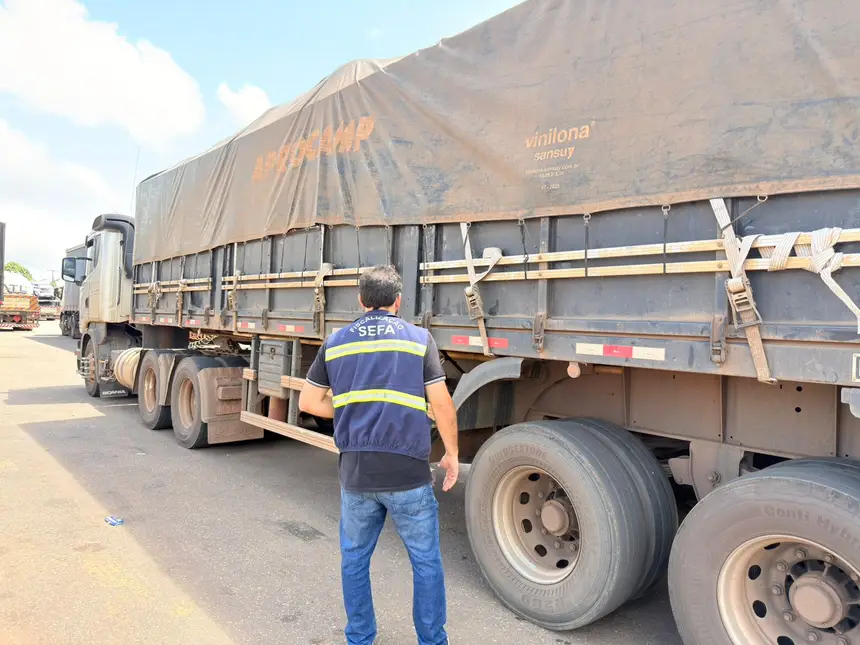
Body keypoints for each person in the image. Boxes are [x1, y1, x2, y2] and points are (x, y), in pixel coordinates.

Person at [299, 264, 459, 645]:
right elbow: (442, 405)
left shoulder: (337, 341)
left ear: (360, 300)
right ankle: (432, 641)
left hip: (356, 474)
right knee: (425, 563)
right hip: (408, 474)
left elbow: (308, 401)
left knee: (354, 561)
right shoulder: (418, 339)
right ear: (398, 301)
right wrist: (451, 452)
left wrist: (352, 408)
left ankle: (360, 638)